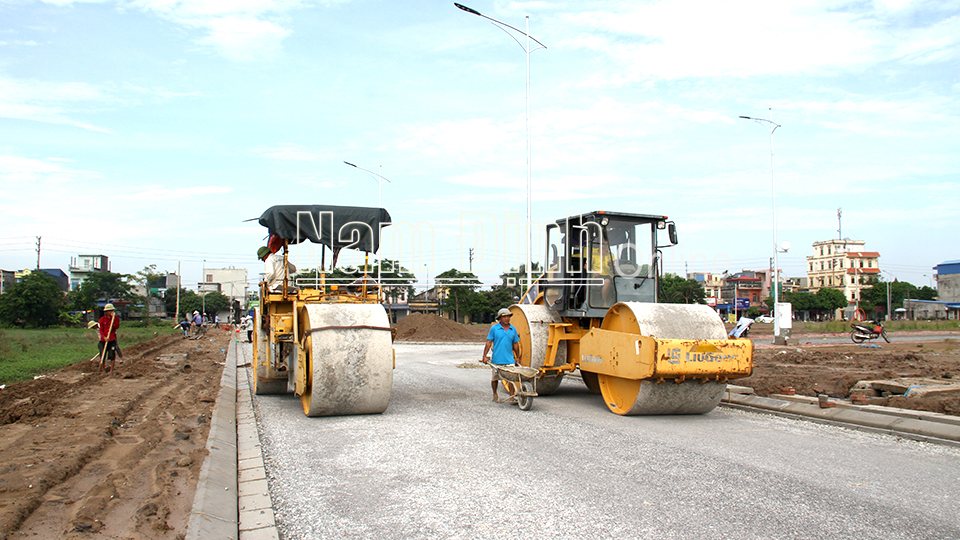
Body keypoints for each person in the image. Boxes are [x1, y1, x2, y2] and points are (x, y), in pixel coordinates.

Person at [481, 308, 521, 404]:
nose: (507, 318)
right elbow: (489, 342)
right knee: (495, 378)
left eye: (508, 316)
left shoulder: (513, 329)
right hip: (497, 359)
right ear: (500, 318)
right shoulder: (494, 329)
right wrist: (484, 356)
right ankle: (495, 394)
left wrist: (518, 357)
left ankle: (512, 397)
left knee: (511, 379)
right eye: (504, 317)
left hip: (509, 359)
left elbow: (516, 344)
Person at [97, 303, 121, 372]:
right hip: (103, 340)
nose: (110, 312)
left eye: (111, 311)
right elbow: (101, 330)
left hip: (112, 339)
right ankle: (103, 369)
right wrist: (104, 337)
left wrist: (113, 319)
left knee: (112, 355)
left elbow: (116, 327)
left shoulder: (116, 319)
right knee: (102, 355)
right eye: (108, 311)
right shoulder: (102, 319)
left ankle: (111, 370)